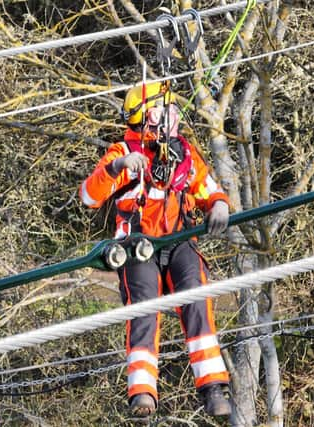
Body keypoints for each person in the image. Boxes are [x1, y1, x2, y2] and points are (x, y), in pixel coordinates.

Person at [78, 81, 232, 417]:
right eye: (167, 109)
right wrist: (116, 169)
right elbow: (89, 196)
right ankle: (142, 391)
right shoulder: (124, 153)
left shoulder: (183, 153)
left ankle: (212, 387)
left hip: (178, 242)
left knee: (195, 296)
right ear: (149, 116)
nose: (175, 114)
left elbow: (206, 187)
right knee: (144, 309)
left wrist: (219, 204)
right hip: (138, 247)